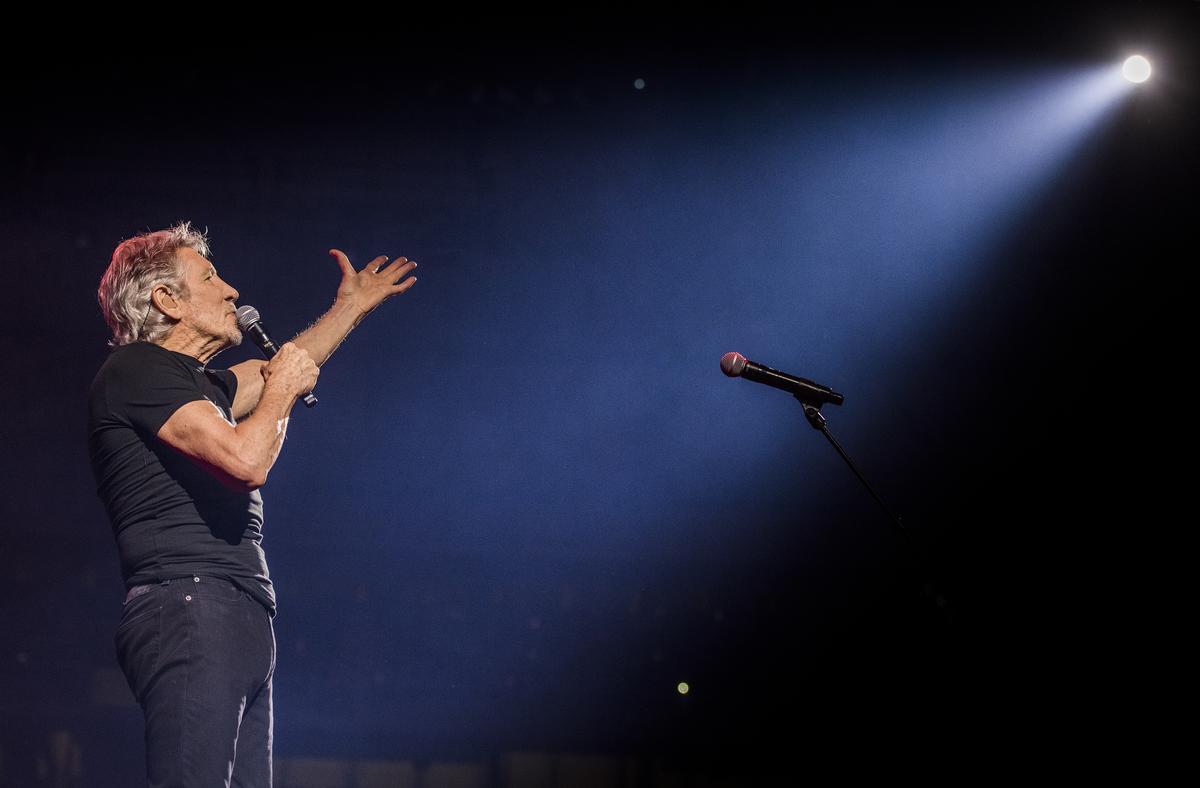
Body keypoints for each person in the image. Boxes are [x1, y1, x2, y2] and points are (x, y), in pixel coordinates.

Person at [87, 222, 417, 786]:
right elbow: (245, 462)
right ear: (166, 300)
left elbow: (281, 368)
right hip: (189, 604)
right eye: (210, 278)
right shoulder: (136, 370)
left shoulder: (196, 384)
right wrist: (285, 391)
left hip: (231, 610)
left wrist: (350, 308)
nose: (232, 292)